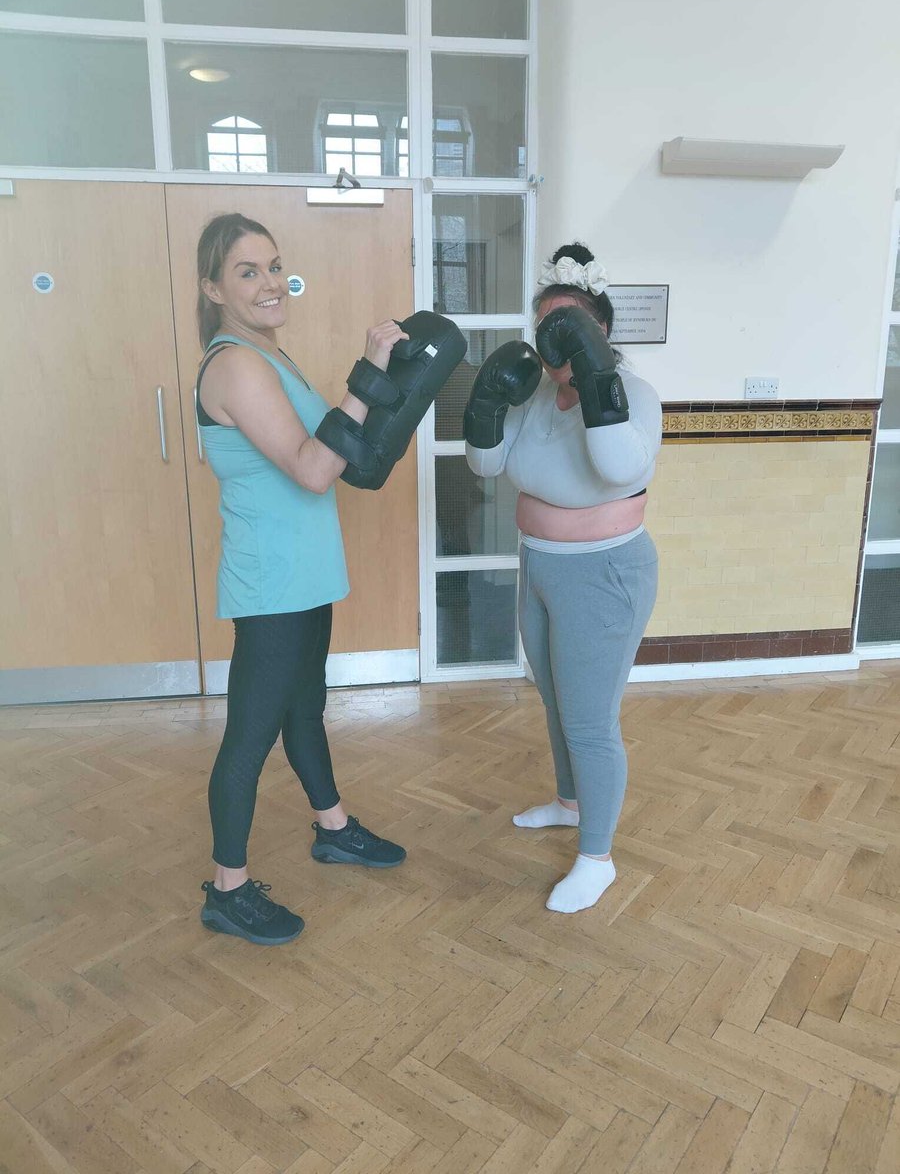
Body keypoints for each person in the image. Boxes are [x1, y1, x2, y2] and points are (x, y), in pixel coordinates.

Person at [194, 212, 412, 946]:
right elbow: (314, 470)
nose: (269, 283)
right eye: (246, 271)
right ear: (214, 290)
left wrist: (388, 386)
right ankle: (227, 891)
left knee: (305, 710)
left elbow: (343, 452)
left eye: (273, 266)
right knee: (250, 736)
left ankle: (334, 828)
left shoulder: (270, 354)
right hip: (272, 583)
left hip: (305, 573)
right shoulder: (235, 365)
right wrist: (367, 373)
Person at [464, 242, 662, 913]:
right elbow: (488, 465)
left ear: (598, 329)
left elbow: (617, 468)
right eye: (546, 324)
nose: (554, 339)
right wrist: (488, 401)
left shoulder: (636, 395)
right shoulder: (538, 398)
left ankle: (597, 858)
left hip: (604, 575)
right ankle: (570, 803)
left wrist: (594, 372)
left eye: (568, 324)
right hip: (541, 567)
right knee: (555, 698)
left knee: (589, 719)